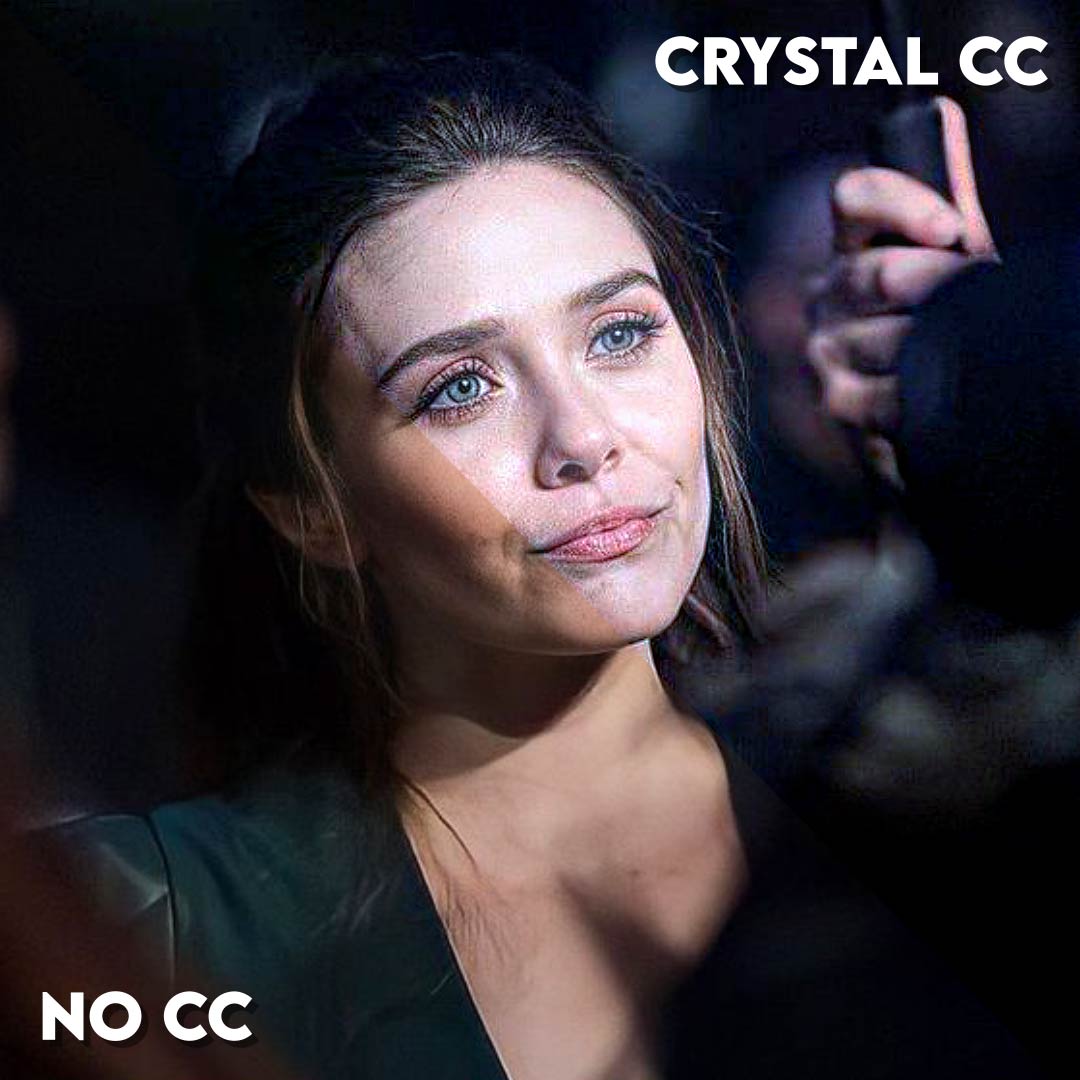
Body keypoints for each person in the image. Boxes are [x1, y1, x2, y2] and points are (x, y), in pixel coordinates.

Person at [33, 56, 1038, 1080]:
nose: (584, 439)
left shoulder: (956, 800)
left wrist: (1009, 431)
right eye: (461, 388)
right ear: (315, 512)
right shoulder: (151, 926)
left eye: (620, 333)